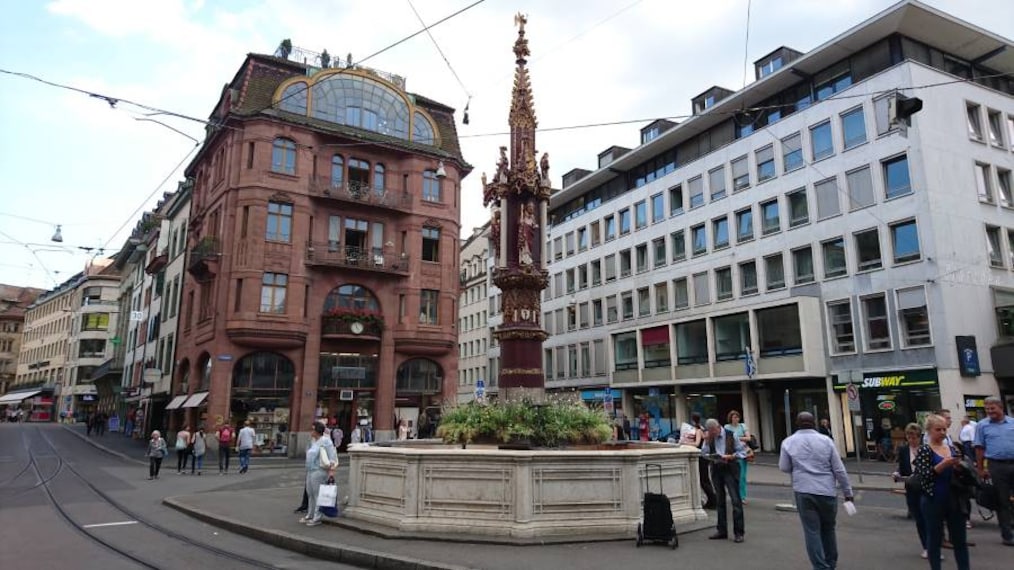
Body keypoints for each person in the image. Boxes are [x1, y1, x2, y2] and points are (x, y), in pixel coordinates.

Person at [779, 412, 854, 570]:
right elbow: (839, 469)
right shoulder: (826, 441)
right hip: (826, 490)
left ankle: (820, 566)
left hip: (804, 490)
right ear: (814, 423)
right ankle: (831, 562)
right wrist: (848, 493)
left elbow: (784, 467)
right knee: (828, 528)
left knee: (812, 531)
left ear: (797, 423)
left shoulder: (788, 442)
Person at [915, 414, 971, 570]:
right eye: (937, 429)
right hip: (933, 499)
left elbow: (963, 475)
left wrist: (960, 468)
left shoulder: (951, 448)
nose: (941, 432)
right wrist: (943, 465)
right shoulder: (925, 450)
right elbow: (923, 477)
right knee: (934, 538)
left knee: (959, 539)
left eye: (944, 429)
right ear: (929, 431)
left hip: (954, 498)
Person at [973, 396, 1014, 547]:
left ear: (1000, 407)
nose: (990, 412)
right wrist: (980, 469)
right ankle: (1007, 535)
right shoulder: (982, 425)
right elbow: (979, 448)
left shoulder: (1012, 423)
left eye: (992, 408)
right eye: (987, 409)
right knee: (1002, 501)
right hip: (997, 466)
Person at [701, 418, 747, 543]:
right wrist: (707, 448)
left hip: (730, 469)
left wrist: (731, 456)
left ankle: (739, 532)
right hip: (716, 469)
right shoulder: (709, 437)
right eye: (710, 432)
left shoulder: (731, 435)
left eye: (714, 432)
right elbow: (703, 453)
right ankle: (721, 530)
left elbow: (743, 452)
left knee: (735, 500)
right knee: (720, 501)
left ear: (718, 427)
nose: (713, 434)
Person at [894, 423, 930, 557]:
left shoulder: (926, 449)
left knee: (928, 517)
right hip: (911, 488)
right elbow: (901, 467)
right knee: (919, 519)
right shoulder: (903, 450)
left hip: (926, 487)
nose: (911, 440)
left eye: (914, 437)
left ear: (919, 437)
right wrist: (897, 474)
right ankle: (926, 546)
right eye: (909, 437)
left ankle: (933, 546)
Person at [301, 422, 338, 526]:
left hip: (320, 470)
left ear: (318, 431)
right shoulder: (313, 441)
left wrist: (331, 471)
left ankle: (317, 517)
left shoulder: (326, 441)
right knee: (310, 493)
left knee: (318, 494)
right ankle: (310, 514)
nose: (311, 431)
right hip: (310, 470)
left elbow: (332, 457)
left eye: (313, 429)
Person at [691, 412, 717, 509]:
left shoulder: (698, 430)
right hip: (705, 457)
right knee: (705, 479)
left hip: (701, 457)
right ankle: (712, 500)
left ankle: (713, 500)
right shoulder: (702, 428)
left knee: (703, 480)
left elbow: (697, 443)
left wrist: (684, 443)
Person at [724, 410, 752, 503]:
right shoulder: (727, 427)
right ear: (730, 418)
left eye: (737, 417)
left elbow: (748, 438)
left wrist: (736, 438)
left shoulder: (742, 426)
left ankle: (742, 496)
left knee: (742, 476)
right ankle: (736, 496)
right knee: (735, 476)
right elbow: (726, 439)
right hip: (732, 453)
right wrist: (740, 438)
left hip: (743, 453)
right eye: (734, 417)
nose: (736, 419)